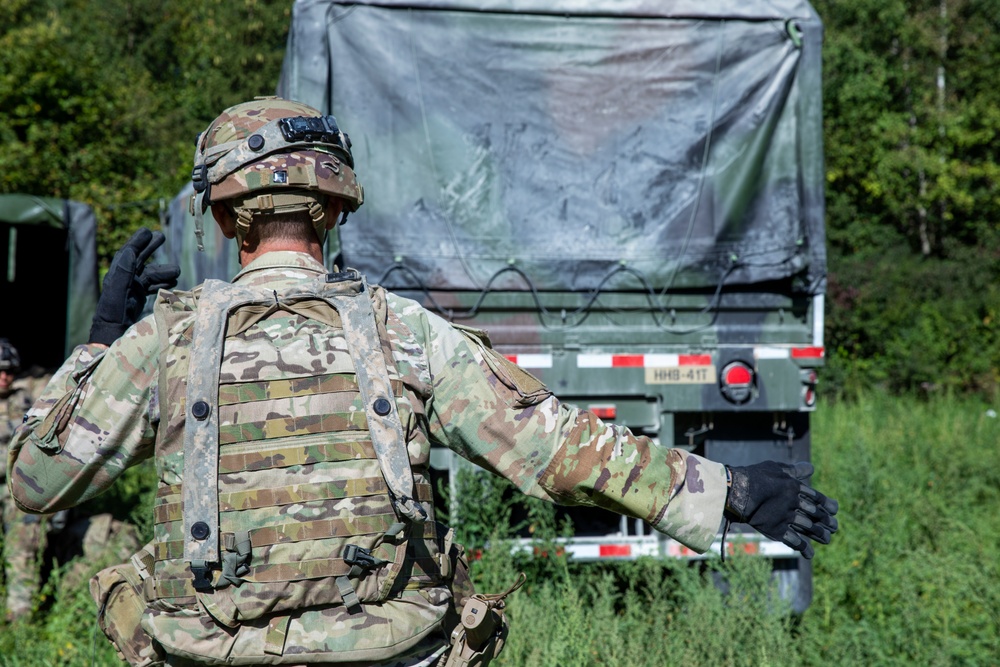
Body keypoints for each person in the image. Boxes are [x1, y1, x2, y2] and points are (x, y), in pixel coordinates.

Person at [7, 97, 838, 666]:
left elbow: (37, 480)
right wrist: (726, 489)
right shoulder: (402, 331)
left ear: (224, 217)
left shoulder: (166, 341)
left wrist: (98, 343)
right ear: (333, 209)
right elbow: (556, 447)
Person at [0, 337, 52, 621]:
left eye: (9, 370)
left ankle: (20, 617)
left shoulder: (27, 399)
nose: (4, 377)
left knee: (22, 547)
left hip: (15, 491)